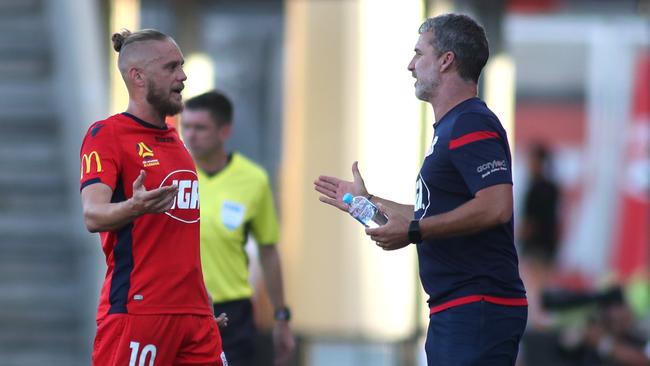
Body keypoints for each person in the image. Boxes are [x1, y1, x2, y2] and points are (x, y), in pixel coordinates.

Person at [314, 14, 527, 365]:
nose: (410, 65)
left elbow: (496, 206)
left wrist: (414, 231)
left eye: (418, 53)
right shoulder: (454, 125)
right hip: (457, 308)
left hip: (476, 306)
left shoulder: (471, 121)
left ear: (446, 61)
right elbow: (437, 214)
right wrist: (366, 202)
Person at [79, 29, 228, 366]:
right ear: (139, 76)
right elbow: (92, 215)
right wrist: (135, 206)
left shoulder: (176, 143)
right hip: (139, 311)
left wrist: (200, 308)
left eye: (182, 66)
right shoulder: (107, 135)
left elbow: (180, 238)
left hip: (194, 319)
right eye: (171, 68)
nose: (183, 76)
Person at [180, 90, 295, 366]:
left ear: (224, 131)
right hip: (181, 307)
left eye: (200, 127)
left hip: (232, 312)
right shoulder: (174, 174)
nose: (190, 135)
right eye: (186, 127)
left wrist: (281, 317)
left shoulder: (253, 180)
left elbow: (268, 251)